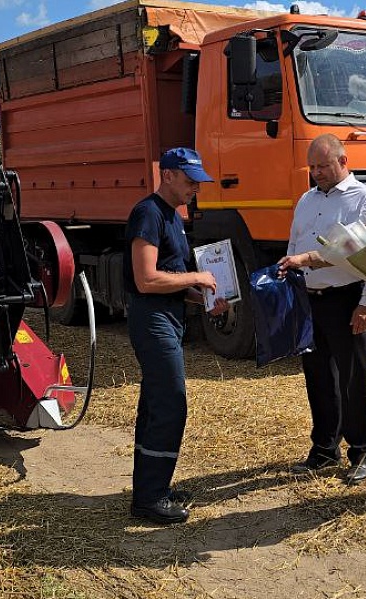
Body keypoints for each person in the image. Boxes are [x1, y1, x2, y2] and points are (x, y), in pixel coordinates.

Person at [123, 147, 228, 524]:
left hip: (168, 315)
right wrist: (197, 277)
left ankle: (154, 488)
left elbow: (169, 278)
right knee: (170, 401)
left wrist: (203, 299)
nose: (195, 188)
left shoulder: (172, 215)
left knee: (157, 401)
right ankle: (148, 499)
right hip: (151, 319)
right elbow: (146, 279)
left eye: (198, 182)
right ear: (167, 175)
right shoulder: (148, 213)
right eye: (189, 180)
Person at [278, 133, 366, 485]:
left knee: (355, 377)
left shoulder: (365, 200)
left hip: (347, 298)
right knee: (318, 377)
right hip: (311, 299)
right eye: (313, 166)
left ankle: (362, 451)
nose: (317, 172)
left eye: (323, 165)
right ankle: (324, 449)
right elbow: (295, 243)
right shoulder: (306, 200)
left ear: (343, 161)